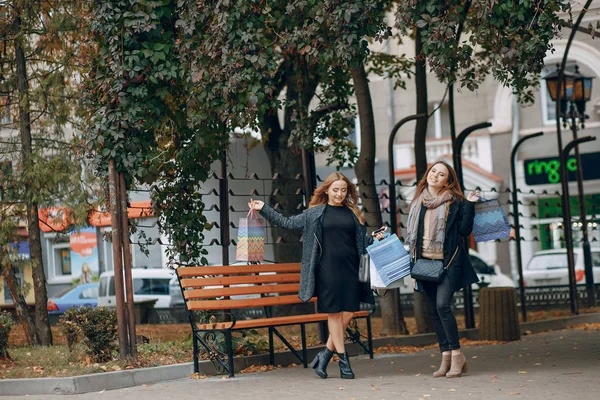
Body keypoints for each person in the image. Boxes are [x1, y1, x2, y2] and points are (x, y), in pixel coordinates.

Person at [248, 172, 381, 380]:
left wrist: (376, 238)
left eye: (343, 190)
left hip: (351, 269)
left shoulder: (352, 213)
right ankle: (343, 361)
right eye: (335, 190)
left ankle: (325, 354)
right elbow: (288, 223)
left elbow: (361, 242)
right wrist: (263, 208)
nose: (339, 194)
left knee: (349, 313)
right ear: (326, 190)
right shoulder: (315, 213)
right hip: (326, 270)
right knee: (335, 314)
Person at [406, 161, 480, 378]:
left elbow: (464, 231)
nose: (435, 176)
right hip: (424, 265)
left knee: (443, 306)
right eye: (433, 172)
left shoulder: (455, 202)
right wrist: (412, 269)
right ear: (428, 174)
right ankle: (445, 357)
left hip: (448, 263)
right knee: (436, 312)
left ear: (448, 181)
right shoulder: (418, 202)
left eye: (441, 174)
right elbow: (413, 238)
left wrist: (470, 204)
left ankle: (457, 355)